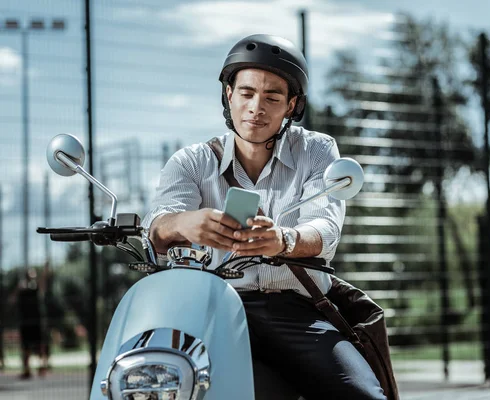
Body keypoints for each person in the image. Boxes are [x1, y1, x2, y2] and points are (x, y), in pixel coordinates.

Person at [143, 34, 386, 399]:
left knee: (363, 395)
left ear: (291, 105)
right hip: (213, 309)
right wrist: (183, 223)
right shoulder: (190, 161)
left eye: (272, 97)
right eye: (246, 93)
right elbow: (159, 224)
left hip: (297, 311)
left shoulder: (317, 150)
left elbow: (325, 227)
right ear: (229, 94)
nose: (256, 107)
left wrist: (283, 240)